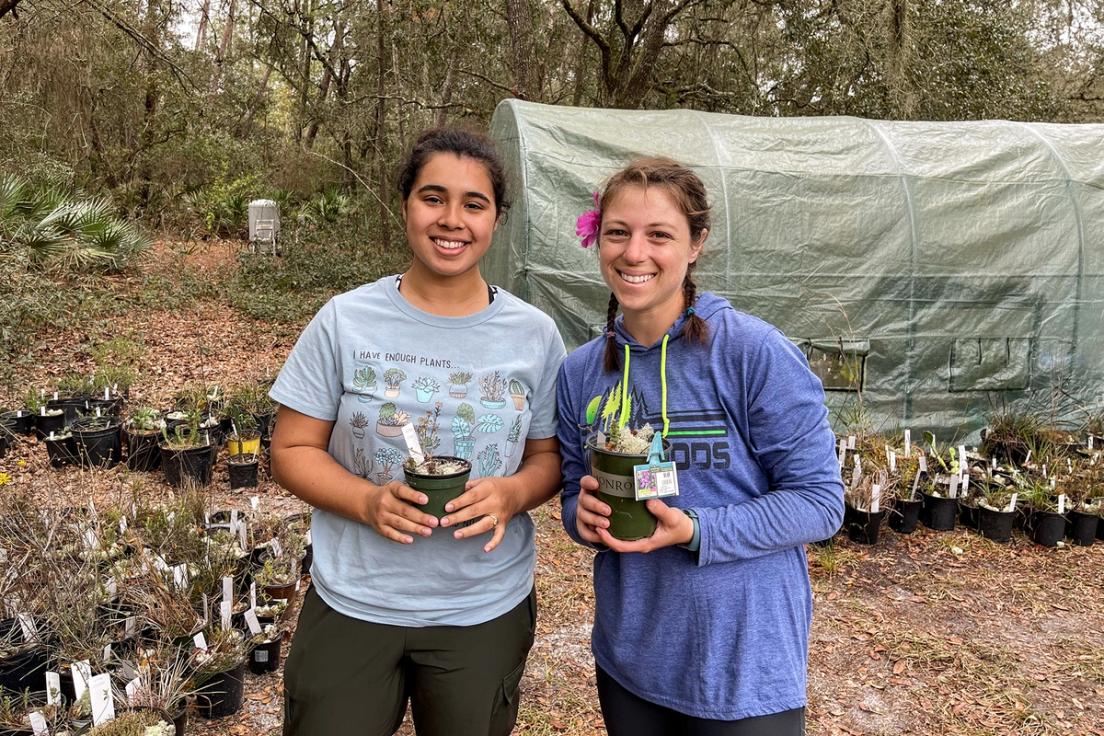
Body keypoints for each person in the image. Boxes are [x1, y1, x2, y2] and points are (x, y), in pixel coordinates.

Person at [269, 127, 566, 736]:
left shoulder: (534, 335)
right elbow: (291, 448)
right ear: (405, 204)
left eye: (473, 204)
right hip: (355, 596)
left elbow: (548, 457)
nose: (451, 219)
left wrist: (512, 494)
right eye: (433, 198)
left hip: (480, 604)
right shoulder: (345, 320)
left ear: (496, 220)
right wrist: (367, 500)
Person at [557, 158, 844, 735]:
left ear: (696, 245)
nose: (634, 253)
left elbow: (820, 501)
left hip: (743, 672)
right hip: (630, 661)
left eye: (659, 234)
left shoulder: (751, 354)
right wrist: (580, 516)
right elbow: (572, 491)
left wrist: (695, 530)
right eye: (618, 232)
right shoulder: (582, 372)